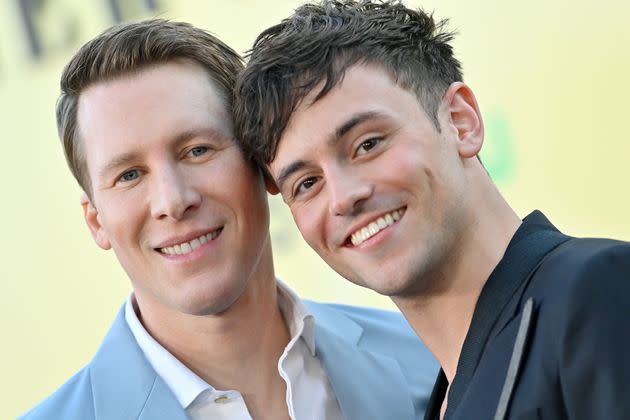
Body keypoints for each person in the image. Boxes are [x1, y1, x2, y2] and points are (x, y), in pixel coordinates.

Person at [21, 19, 438, 420]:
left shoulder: (433, 359)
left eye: (197, 150)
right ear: (95, 220)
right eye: (129, 175)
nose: (173, 200)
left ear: (263, 164)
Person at [234, 1, 630, 419]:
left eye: (368, 144)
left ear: (461, 122)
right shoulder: (440, 396)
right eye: (307, 183)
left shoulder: (596, 291)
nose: (343, 197)